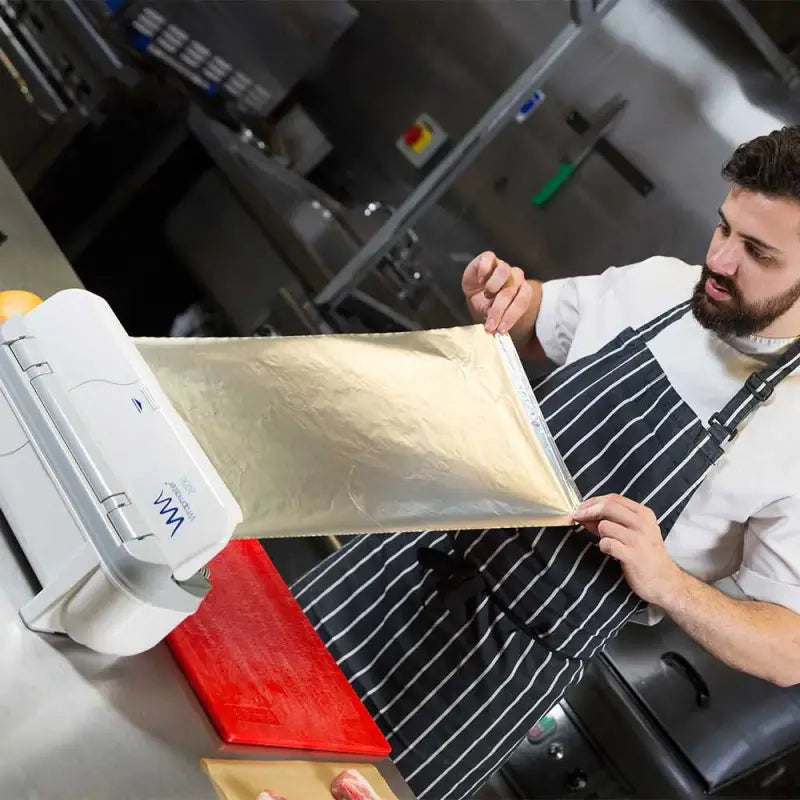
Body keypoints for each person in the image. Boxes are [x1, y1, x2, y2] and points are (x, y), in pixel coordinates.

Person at [292, 126, 800, 799]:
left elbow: (786, 650)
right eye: (724, 228)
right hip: (407, 560)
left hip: (489, 678)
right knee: (218, 706)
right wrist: (504, 293)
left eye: (758, 253)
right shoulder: (656, 287)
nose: (721, 261)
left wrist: (667, 582)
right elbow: (537, 317)